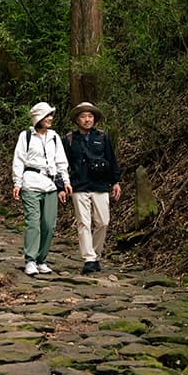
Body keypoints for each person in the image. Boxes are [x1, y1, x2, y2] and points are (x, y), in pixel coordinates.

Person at [61, 102, 121, 274]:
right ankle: (89, 258)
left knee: (103, 221)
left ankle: (95, 254)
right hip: (79, 185)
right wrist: (62, 185)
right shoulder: (69, 139)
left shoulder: (102, 137)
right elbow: (62, 164)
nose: (87, 120)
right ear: (77, 120)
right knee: (84, 222)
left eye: (90, 116)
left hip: (100, 185)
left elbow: (111, 159)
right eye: (83, 116)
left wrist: (116, 182)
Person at [11, 102, 70, 275]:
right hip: (31, 183)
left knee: (49, 225)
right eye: (47, 115)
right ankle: (30, 260)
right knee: (33, 224)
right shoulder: (26, 136)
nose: (50, 118)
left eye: (51, 115)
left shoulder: (54, 137)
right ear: (38, 118)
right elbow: (19, 159)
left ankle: (41, 260)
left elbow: (61, 161)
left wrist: (65, 182)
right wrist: (17, 183)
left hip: (50, 185)